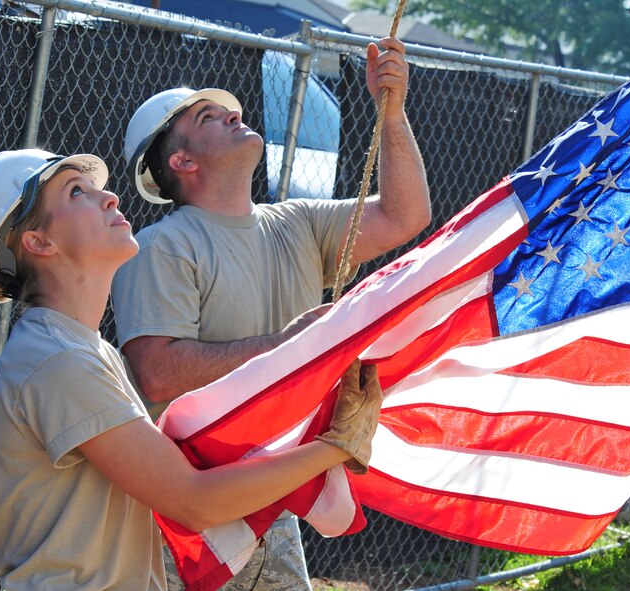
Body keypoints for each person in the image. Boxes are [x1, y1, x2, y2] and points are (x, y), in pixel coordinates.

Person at [0, 148, 382, 591]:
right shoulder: (58, 359)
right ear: (39, 243)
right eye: (76, 191)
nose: (110, 198)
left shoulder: (83, 349)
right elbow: (194, 501)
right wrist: (337, 446)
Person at [111, 36, 430, 590]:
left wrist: (392, 116)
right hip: (190, 515)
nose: (234, 112)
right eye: (211, 116)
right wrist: (286, 345)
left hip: (272, 502)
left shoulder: (297, 221)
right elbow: (157, 371)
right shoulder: (161, 246)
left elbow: (406, 215)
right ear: (181, 161)